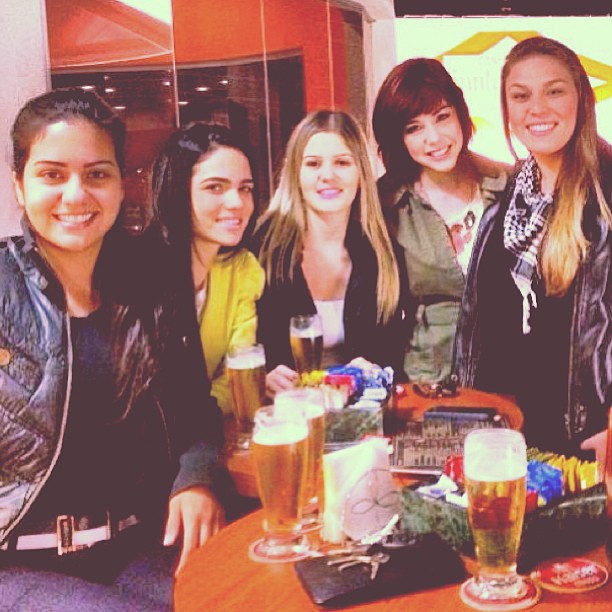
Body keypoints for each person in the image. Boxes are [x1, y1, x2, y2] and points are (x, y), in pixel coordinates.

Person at [0, 88, 228, 611]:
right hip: (17, 562)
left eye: (96, 174)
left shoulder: (150, 284)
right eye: (52, 174)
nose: (75, 194)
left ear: (122, 185)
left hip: (135, 545)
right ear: (19, 185)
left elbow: (196, 412)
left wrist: (195, 480)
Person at [454, 37, 612, 461]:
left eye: (554, 91)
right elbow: (479, 335)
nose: (536, 109)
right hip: (512, 442)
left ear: (582, 98)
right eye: (521, 96)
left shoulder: (607, 196)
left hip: (592, 444)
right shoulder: (504, 208)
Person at [373, 57, 510, 383]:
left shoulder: (510, 184)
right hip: (427, 382)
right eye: (414, 128)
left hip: (508, 377)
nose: (433, 138)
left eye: (442, 117)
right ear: (398, 138)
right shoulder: (385, 203)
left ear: (460, 115)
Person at [252, 110, 406, 396]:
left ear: (361, 173)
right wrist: (262, 377)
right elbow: (238, 349)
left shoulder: (381, 254)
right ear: (296, 174)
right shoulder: (262, 251)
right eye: (313, 164)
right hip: (284, 412)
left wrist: (374, 370)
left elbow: (393, 355)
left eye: (342, 163)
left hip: (359, 413)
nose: (327, 175)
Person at [151, 122, 264, 416]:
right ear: (178, 190)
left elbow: (239, 382)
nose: (237, 202)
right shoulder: (142, 275)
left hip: (205, 432)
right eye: (215, 187)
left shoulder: (242, 270)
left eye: (245, 189)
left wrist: (202, 407)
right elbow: (152, 399)